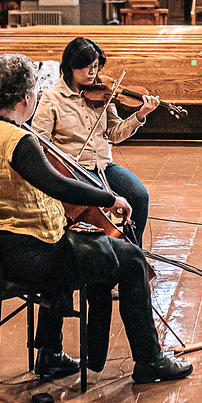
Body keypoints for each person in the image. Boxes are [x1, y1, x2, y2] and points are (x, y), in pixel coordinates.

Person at [0, 54, 192, 387]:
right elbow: (55, 183)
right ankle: (149, 360)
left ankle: (50, 351)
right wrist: (109, 198)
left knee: (79, 242)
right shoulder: (18, 141)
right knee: (131, 259)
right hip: (28, 257)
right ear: (25, 98)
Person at [31, 37, 158, 247]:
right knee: (95, 209)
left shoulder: (102, 94)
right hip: (74, 171)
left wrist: (140, 115)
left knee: (139, 195)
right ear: (72, 66)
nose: (93, 72)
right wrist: (60, 159)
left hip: (103, 167)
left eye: (96, 66)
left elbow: (115, 134)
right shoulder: (52, 98)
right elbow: (39, 142)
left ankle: (134, 253)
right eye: (88, 67)